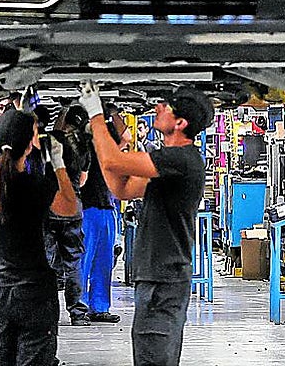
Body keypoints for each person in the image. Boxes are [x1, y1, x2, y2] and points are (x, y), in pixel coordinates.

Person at [79, 85, 214, 366]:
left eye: (166, 106)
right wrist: (99, 137)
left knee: (153, 357)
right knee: (151, 354)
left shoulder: (180, 159)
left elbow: (114, 161)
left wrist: (96, 115)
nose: (157, 108)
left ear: (180, 123)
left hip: (163, 280)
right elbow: (122, 188)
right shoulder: (169, 164)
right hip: (157, 277)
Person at [0, 107, 79, 366]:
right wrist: (57, 164)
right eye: (35, 134)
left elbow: (8, 158)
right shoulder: (36, 187)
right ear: (27, 145)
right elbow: (70, 207)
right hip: (34, 295)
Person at [44, 105, 92, 325]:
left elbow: (56, 130)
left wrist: (61, 109)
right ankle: (77, 313)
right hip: (73, 208)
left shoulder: (54, 138)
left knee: (47, 262)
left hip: (51, 207)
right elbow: (82, 181)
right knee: (73, 262)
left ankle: (46, 312)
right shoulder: (83, 146)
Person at [80, 106, 126, 323]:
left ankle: (99, 308)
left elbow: (125, 136)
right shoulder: (80, 145)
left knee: (103, 262)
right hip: (85, 210)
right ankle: (78, 308)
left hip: (107, 210)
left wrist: (114, 111)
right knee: (83, 261)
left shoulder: (108, 149)